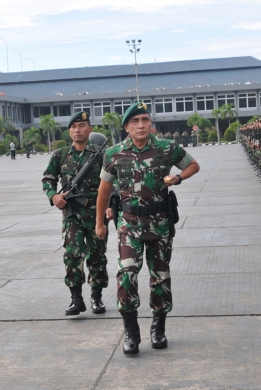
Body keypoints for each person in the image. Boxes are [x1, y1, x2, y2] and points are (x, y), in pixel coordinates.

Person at [95, 102, 200, 355]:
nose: (140, 125)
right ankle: (131, 331)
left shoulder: (167, 148)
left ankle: (158, 328)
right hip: (129, 223)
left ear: (151, 123)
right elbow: (104, 189)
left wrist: (177, 178)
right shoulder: (114, 153)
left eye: (145, 120)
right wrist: (99, 222)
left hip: (160, 223)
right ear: (126, 127)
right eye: (134, 121)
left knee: (160, 276)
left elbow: (193, 165)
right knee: (127, 273)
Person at [42, 111, 109, 316]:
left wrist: (110, 207)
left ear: (90, 129)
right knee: (72, 255)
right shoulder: (60, 155)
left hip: (97, 214)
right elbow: (48, 179)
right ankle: (76, 299)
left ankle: (96, 298)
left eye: (82, 126)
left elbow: (111, 183)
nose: (77, 130)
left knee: (97, 256)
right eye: (73, 127)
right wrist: (54, 196)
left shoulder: (100, 154)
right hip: (72, 215)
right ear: (69, 131)